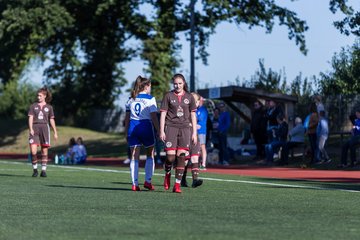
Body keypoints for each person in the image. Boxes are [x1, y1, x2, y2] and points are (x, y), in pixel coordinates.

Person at [159, 73, 197, 193]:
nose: (177, 85)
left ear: (184, 83)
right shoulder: (168, 96)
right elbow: (163, 114)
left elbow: (193, 115)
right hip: (171, 127)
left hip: (185, 128)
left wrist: (194, 132)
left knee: (181, 156)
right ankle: (167, 173)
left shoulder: (190, 97)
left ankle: (177, 185)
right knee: (170, 157)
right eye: (175, 83)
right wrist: (161, 130)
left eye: (180, 83)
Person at [124, 76, 160, 191]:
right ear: (146, 86)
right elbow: (154, 116)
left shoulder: (131, 98)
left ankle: (134, 184)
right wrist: (159, 130)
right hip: (145, 127)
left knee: (134, 157)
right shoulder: (150, 99)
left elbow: (127, 118)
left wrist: (126, 133)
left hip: (133, 128)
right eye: (150, 86)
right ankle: (148, 181)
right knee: (150, 154)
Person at [28, 87, 58, 177]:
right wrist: (30, 129)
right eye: (37, 95)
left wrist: (55, 132)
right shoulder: (33, 106)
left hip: (45, 128)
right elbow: (30, 118)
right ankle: (35, 170)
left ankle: (43, 171)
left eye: (40, 96)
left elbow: (52, 120)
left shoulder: (49, 107)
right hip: (35, 128)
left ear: (44, 96)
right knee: (33, 151)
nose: (38, 97)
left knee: (44, 151)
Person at [181, 92, 204, 188]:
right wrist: (191, 125)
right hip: (185, 136)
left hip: (194, 136)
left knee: (195, 157)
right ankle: (182, 179)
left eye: (197, 101)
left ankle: (195, 180)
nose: (196, 103)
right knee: (185, 160)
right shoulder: (184, 110)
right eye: (194, 101)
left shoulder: (197, 111)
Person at [196, 96, 208, 170]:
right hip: (195, 131)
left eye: (199, 100)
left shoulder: (203, 110)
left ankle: (203, 164)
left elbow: (198, 118)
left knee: (202, 146)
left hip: (201, 131)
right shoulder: (196, 109)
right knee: (196, 147)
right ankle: (197, 163)